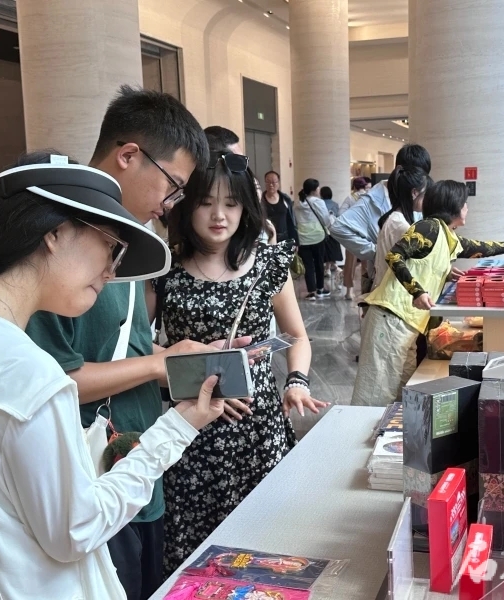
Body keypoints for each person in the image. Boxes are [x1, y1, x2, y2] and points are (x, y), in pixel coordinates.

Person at [0, 155, 225, 600]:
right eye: (111, 246)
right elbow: (77, 530)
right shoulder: (28, 375)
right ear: (55, 234)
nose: (111, 271)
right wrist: (178, 427)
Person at [24, 87, 234, 600]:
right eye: (173, 186)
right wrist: (161, 364)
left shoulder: (131, 245)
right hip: (92, 479)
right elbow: (52, 382)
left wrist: (187, 361)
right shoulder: (67, 248)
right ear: (128, 156)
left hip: (138, 467)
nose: (170, 205)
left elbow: (132, 351)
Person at [149, 147, 328, 573]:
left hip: (258, 425)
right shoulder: (165, 269)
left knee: (267, 545)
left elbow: (297, 336)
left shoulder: (267, 264)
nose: (219, 215)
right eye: (206, 203)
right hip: (191, 429)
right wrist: (198, 375)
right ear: (187, 205)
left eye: (230, 203)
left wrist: (296, 381)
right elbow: (140, 348)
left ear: (245, 207)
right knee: (197, 552)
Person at [352, 180, 504, 406]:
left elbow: (481, 247)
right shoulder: (428, 227)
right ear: (454, 206)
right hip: (391, 319)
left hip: (407, 325)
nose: (467, 208)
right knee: (375, 397)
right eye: (465, 203)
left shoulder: (446, 236)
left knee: (402, 395)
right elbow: (395, 256)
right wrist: (417, 291)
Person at [330, 144, 432, 292]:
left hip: (413, 281)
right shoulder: (373, 199)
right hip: (384, 283)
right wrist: (377, 252)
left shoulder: (416, 196)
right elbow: (338, 228)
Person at [373, 166, 429, 291]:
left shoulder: (395, 218)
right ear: (414, 193)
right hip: (393, 294)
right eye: (425, 194)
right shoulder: (400, 225)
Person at [295, 178, 333, 300]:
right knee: (319, 263)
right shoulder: (318, 202)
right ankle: (320, 289)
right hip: (317, 237)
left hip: (303, 238)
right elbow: (325, 219)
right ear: (314, 190)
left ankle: (311, 292)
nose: (319, 189)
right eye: (318, 187)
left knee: (308, 265)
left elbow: (295, 220)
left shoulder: (297, 203)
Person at [339, 177, 370, 299]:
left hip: (353, 234)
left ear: (354, 186)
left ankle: (349, 292)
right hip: (367, 234)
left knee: (350, 263)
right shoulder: (369, 197)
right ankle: (366, 291)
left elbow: (341, 213)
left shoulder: (350, 198)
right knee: (367, 264)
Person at [263, 170, 298, 245]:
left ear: (278, 183)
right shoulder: (260, 200)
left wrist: (295, 240)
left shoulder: (285, 199)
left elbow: (291, 221)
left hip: (284, 239)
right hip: (267, 239)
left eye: (273, 182)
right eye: (268, 182)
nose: (271, 185)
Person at [319, 186, 343, 277]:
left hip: (323, 230)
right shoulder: (335, 204)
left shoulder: (320, 204)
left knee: (326, 250)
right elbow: (338, 216)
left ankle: (330, 268)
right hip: (333, 229)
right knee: (332, 249)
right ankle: (332, 267)